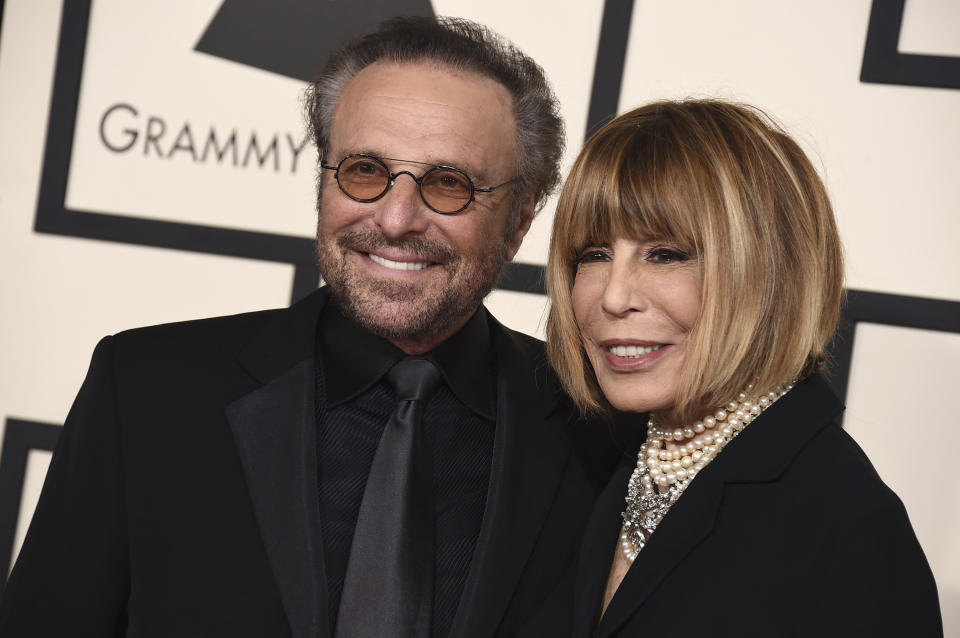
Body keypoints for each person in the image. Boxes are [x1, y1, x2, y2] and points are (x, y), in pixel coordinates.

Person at [0, 17, 608, 637]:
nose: (396, 219)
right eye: (365, 170)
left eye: (447, 184)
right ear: (323, 179)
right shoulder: (145, 391)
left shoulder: (597, 432)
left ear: (520, 220)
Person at [543, 100, 943, 636]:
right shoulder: (588, 456)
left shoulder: (847, 526)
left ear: (770, 272)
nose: (613, 297)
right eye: (593, 254)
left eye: (666, 254)